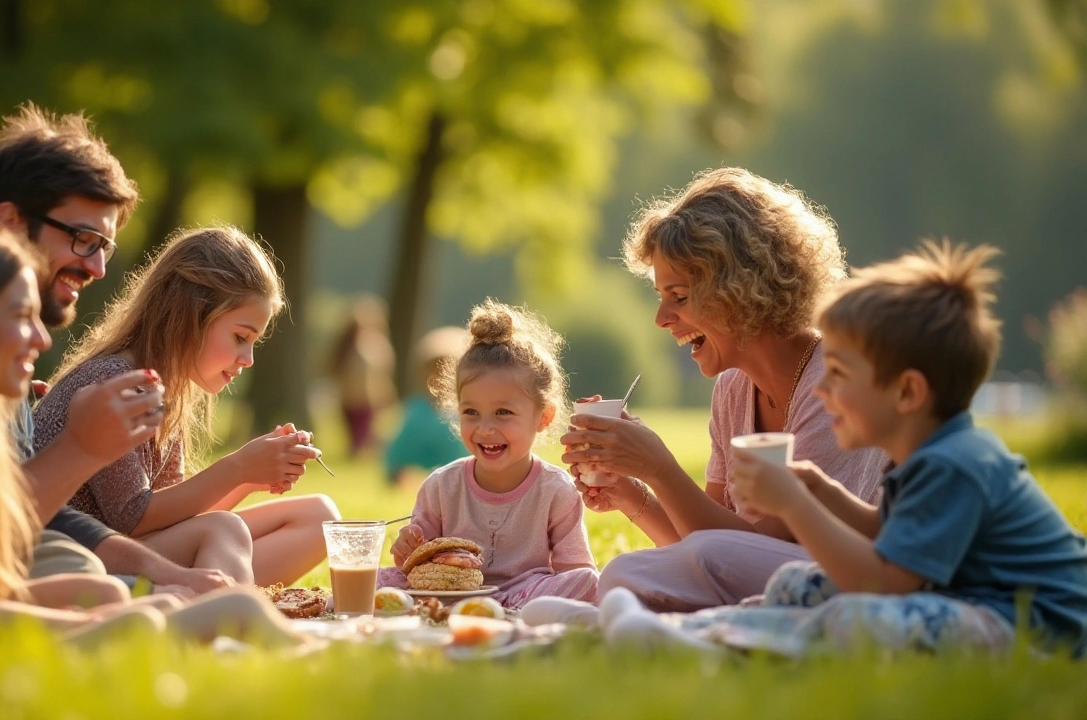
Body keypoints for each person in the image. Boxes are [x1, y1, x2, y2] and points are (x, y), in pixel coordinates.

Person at [0, 227, 306, 649]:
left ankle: (253, 639)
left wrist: (116, 603)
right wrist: (98, 623)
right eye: (20, 318)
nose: (43, 340)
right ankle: (246, 642)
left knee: (120, 598)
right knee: (160, 608)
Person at [603, 242, 1087, 657]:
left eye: (839, 375)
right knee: (800, 585)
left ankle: (708, 639)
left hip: (1036, 625)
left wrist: (794, 503)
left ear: (907, 393)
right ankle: (683, 631)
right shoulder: (933, 458)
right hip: (972, 604)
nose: (825, 390)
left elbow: (884, 584)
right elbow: (885, 534)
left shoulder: (957, 464)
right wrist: (817, 488)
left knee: (859, 615)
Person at [561, 167, 887, 611]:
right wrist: (630, 490)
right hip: (763, 580)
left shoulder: (833, 381)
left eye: (678, 295)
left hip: (839, 581)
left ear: (740, 289)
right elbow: (707, 540)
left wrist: (659, 466)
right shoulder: (734, 389)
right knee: (628, 573)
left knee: (631, 574)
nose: (661, 318)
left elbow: (737, 549)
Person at [0, 103, 232, 596]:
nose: (97, 269)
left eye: (104, 247)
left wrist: (168, 574)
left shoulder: (1, 358)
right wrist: (81, 448)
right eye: (84, 240)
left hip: (26, 560)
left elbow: (40, 517)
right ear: (8, 223)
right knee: (111, 590)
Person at [33, 226, 340, 587]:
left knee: (321, 516)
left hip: (134, 553)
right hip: (74, 560)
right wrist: (238, 467)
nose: (248, 359)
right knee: (223, 529)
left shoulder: (169, 389)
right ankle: (231, 614)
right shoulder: (116, 381)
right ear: (190, 315)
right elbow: (132, 518)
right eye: (241, 337)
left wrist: (252, 476)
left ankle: (222, 599)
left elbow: (177, 519)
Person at [382, 300, 599, 608]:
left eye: (502, 412)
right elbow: (415, 563)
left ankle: (506, 607)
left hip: (528, 592)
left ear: (544, 417)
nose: (485, 428)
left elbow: (576, 572)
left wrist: (566, 593)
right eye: (471, 412)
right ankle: (476, 608)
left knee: (589, 583)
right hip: (453, 592)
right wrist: (406, 548)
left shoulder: (556, 491)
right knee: (378, 580)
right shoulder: (442, 486)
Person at [384, 326, 469, 485]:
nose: (438, 377)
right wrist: (399, 471)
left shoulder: (464, 412)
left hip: (456, 478)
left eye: (446, 370)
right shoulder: (416, 409)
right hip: (416, 477)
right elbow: (401, 446)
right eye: (434, 369)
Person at [328, 295, 396, 458]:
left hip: (369, 399)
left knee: (363, 434)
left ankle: (361, 459)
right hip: (348, 398)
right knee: (354, 434)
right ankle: (356, 459)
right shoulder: (345, 347)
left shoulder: (377, 345)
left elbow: (383, 373)